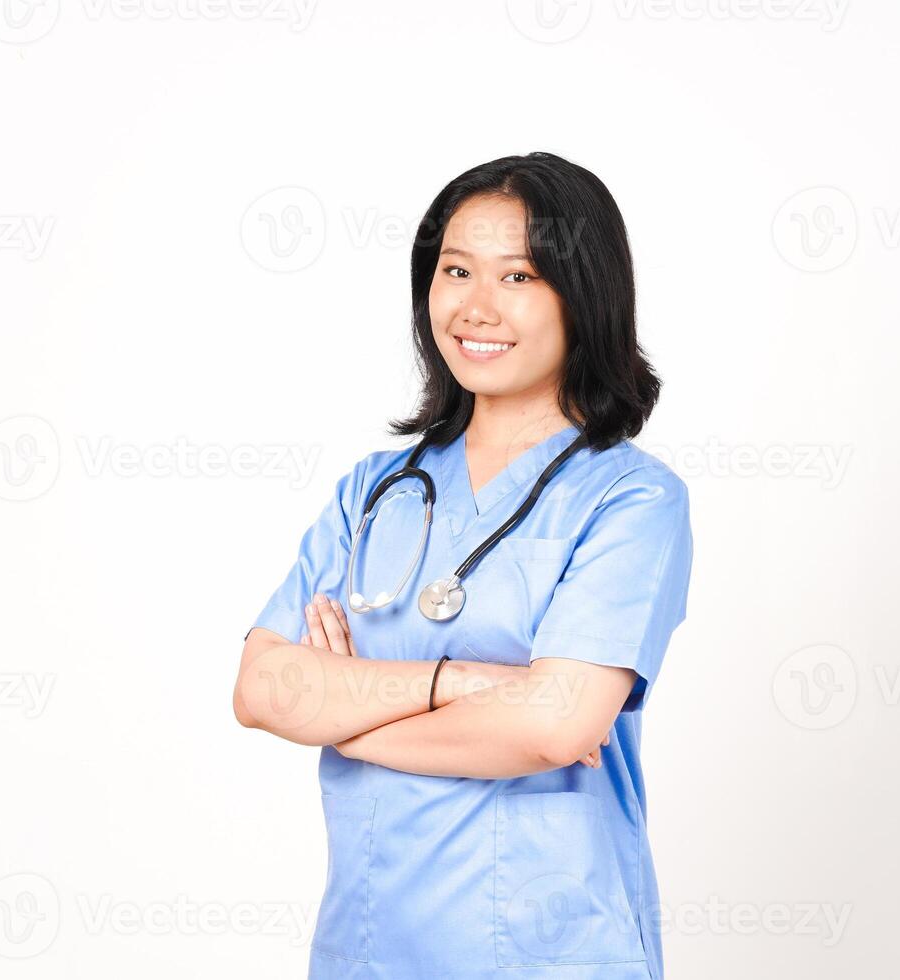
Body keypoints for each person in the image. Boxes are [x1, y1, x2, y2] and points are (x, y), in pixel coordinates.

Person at [233, 151, 693, 979]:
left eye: (518, 277)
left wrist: (348, 716)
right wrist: (455, 684)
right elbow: (262, 691)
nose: (477, 307)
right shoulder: (376, 491)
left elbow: (555, 726)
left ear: (583, 297)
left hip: (555, 952)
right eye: (455, 270)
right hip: (367, 946)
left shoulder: (631, 500)